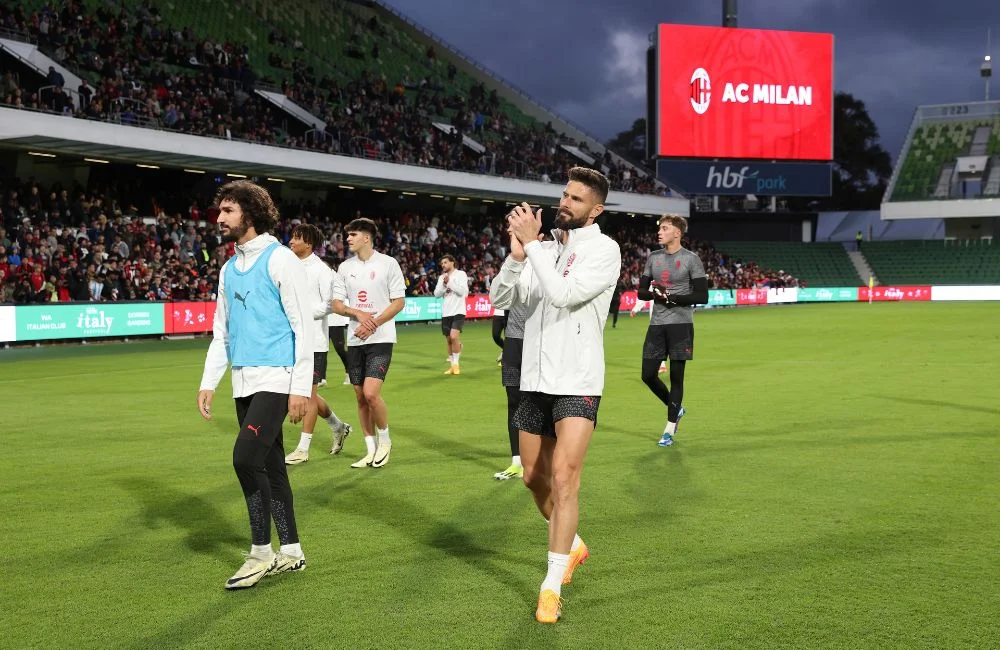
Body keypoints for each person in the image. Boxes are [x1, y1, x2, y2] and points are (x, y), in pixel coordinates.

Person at [491, 167, 621, 624]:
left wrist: (535, 251)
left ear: (596, 209)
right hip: (535, 381)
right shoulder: (542, 250)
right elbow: (503, 299)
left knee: (565, 478)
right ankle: (572, 544)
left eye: (577, 199)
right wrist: (517, 255)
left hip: (578, 381)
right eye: (564, 195)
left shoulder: (605, 250)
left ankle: (550, 586)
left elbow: (564, 295)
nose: (565, 203)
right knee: (532, 477)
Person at [196, 180, 311, 590]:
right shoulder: (229, 268)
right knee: (273, 467)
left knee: (245, 458)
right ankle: (292, 550)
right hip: (243, 382)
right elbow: (221, 332)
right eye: (220, 210)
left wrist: (301, 388)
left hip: (277, 379)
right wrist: (209, 382)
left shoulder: (281, 260)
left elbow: (304, 328)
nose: (220, 218)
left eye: (227, 210)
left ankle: (260, 552)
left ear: (249, 213)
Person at [331, 218, 406, 469]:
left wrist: (372, 322)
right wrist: (357, 315)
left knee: (371, 393)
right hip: (355, 339)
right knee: (360, 397)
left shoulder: (388, 264)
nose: (348, 239)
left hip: (381, 338)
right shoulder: (344, 267)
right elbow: (337, 305)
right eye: (347, 235)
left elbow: (398, 301)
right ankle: (370, 449)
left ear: (366, 237)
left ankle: (385, 441)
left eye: (352, 234)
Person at [636, 214, 708, 448]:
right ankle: (676, 409)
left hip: (681, 325)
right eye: (660, 228)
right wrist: (656, 295)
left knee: (677, 378)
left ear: (677, 233)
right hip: (656, 324)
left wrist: (673, 298)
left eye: (664, 228)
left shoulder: (691, 259)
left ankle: (668, 429)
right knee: (647, 375)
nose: (660, 232)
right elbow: (641, 292)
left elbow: (701, 295)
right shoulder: (653, 258)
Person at [283, 224, 352, 465]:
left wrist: (303, 313)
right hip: (288, 340)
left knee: (308, 394)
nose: (291, 241)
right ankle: (338, 426)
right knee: (296, 392)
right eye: (291, 236)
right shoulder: (286, 266)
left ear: (309, 244)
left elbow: (330, 304)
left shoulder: (322, 272)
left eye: (296, 238)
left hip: (313, 342)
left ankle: (303, 448)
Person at [433, 254, 469, 375]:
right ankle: (452, 366)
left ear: (452, 262)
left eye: (445, 262)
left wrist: (450, 283)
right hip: (446, 312)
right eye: (442, 263)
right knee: (449, 340)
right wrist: (444, 284)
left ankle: (456, 365)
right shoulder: (441, 277)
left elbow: (463, 292)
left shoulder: (461, 274)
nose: (443, 265)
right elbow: (437, 294)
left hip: (458, 311)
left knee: (453, 337)